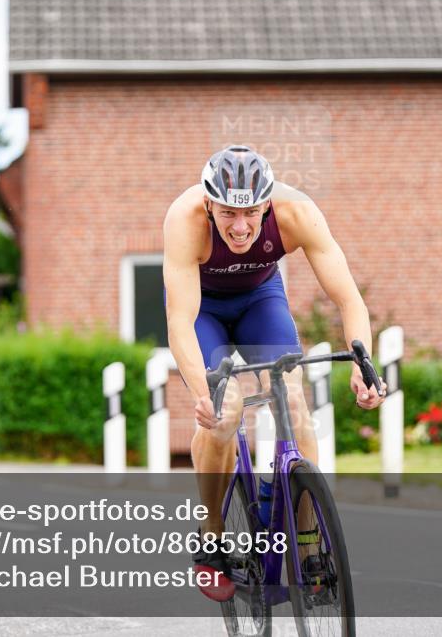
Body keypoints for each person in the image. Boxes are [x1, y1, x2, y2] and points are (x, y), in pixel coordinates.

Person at [162, 145, 386, 602]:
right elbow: (181, 320)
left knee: (295, 404)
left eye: (249, 213)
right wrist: (202, 392)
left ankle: (308, 548)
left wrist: (364, 363)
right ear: (209, 205)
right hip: (203, 310)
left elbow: (349, 299)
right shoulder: (185, 219)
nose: (240, 226)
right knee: (224, 414)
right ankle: (211, 536)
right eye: (227, 213)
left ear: (266, 204)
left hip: (260, 300)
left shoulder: (297, 213)